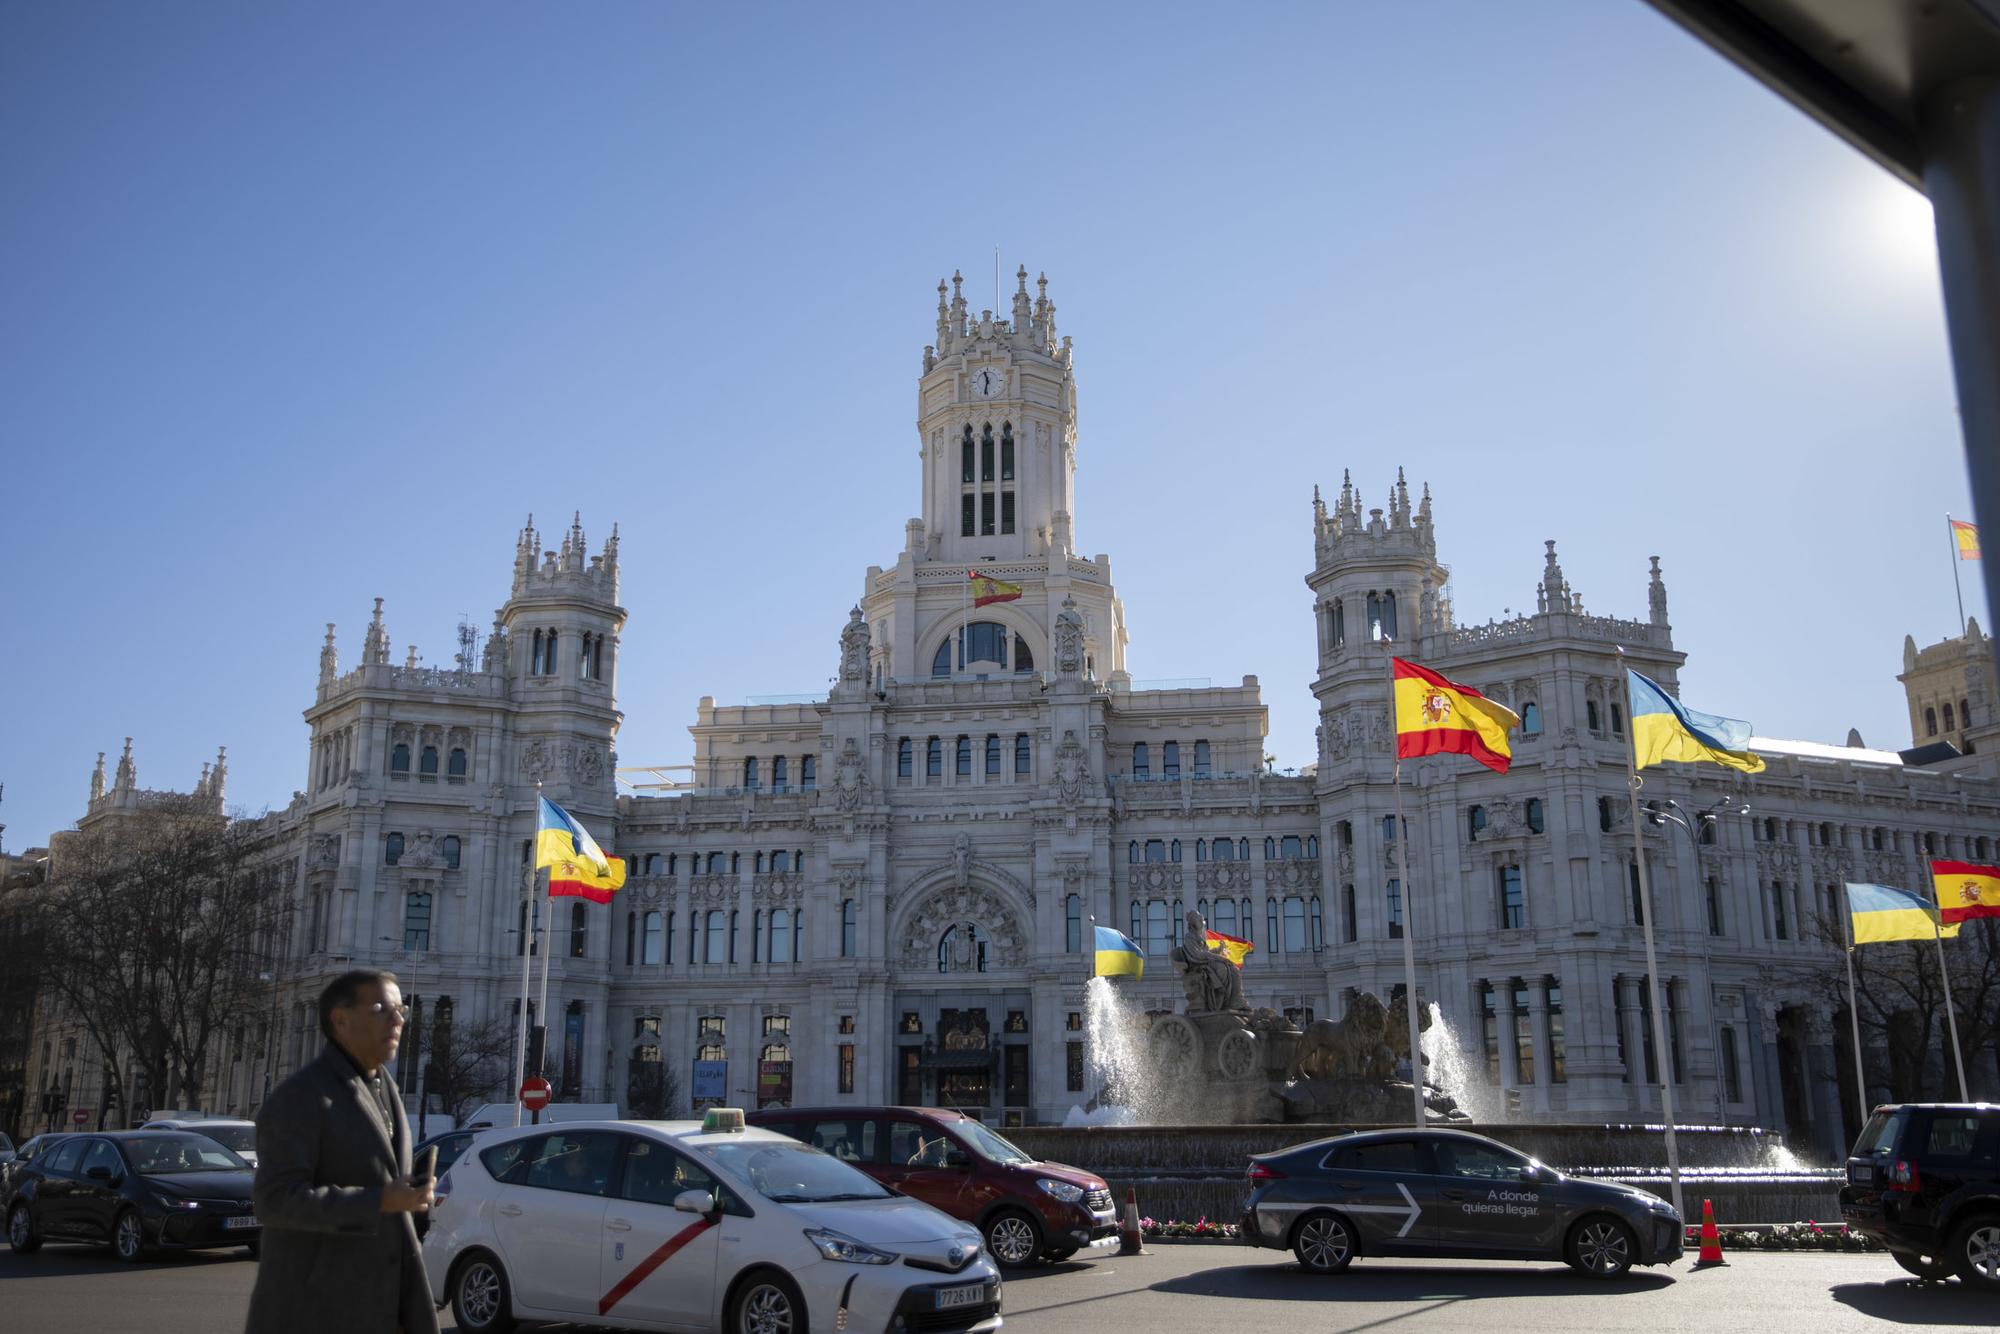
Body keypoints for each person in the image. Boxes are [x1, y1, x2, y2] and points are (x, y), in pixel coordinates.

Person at [245, 969, 438, 1334]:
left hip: (379, 1308)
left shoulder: (386, 1088)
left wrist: (412, 1198)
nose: (397, 1019)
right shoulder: (301, 1096)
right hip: (316, 1312)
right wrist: (380, 1200)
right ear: (340, 1019)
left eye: (402, 1010)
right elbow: (273, 1200)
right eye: (381, 1007)